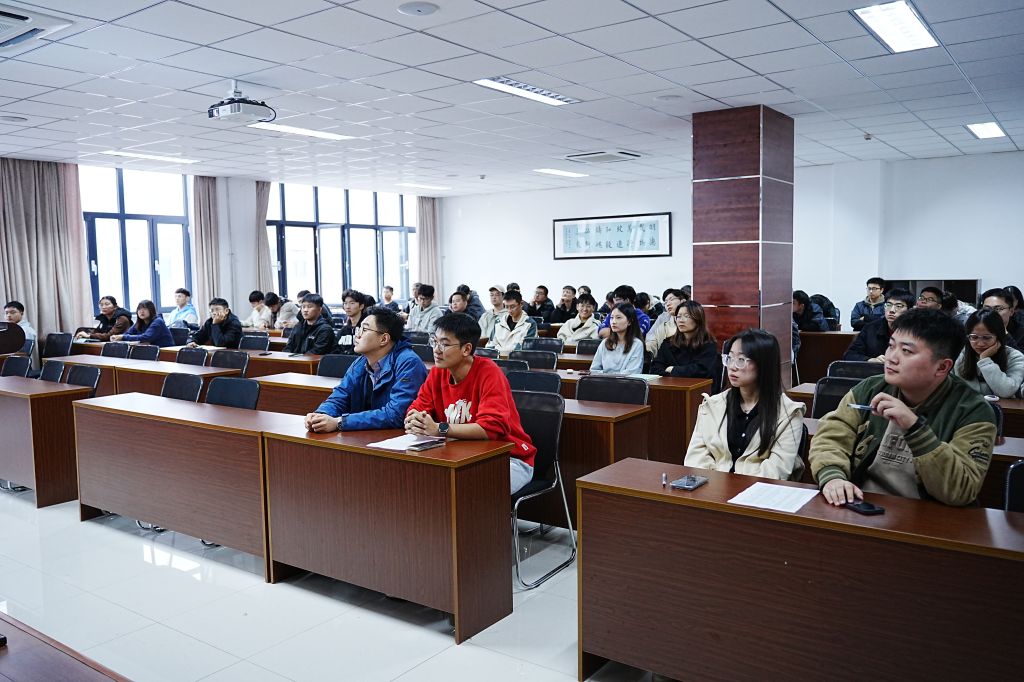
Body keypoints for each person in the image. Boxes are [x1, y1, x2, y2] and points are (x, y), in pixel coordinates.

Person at [810, 308, 996, 507]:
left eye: (907, 351)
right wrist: (833, 476)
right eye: (891, 346)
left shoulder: (973, 411)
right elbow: (832, 436)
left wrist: (914, 427)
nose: (891, 357)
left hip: (930, 516)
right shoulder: (871, 388)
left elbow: (961, 490)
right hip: (862, 504)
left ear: (942, 367)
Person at [405, 313, 536, 494]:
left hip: (508, 458)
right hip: (458, 455)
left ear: (466, 349)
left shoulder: (489, 373)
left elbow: (491, 428)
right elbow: (418, 406)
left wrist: (440, 428)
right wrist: (415, 419)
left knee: (469, 492)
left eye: (444, 344)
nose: (436, 349)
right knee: (419, 481)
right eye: (434, 341)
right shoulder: (437, 373)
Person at [685, 328, 805, 480]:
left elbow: (776, 472)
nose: (732, 366)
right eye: (729, 358)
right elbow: (695, 459)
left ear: (764, 364)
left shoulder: (789, 413)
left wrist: (734, 488)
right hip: (713, 489)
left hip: (759, 492)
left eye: (741, 360)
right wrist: (717, 486)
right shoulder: (712, 405)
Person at [306, 307, 428, 432]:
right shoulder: (360, 362)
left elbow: (396, 414)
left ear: (384, 339)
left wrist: (341, 422)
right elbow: (340, 396)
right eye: (358, 329)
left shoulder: (408, 363)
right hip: (368, 434)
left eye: (364, 330)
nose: (357, 335)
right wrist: (320, 415)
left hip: (398, 436)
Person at [953, 310, 1024, 398]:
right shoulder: (960, 354)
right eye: (974, 337)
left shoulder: (1015, 357)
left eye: (986, 338)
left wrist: (984, 360)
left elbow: (1006, 391)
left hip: (1003, 407)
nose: (980, 344)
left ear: (999, 337)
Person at [651, 301, 721, 388]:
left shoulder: (708, 344)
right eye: (678, 316)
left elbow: (702, 371)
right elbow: (655, 369)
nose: (681, 320)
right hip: (670, 388)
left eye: (687, 316)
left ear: (698, 318)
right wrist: (681, 373)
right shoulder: (668, 343)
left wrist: (672, 369)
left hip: (699, 390)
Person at [843, 288, 915, 362]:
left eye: (898, 306)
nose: (892, 310)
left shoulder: (916, 331)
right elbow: (849, 355)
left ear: (909, 310)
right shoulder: (870, 328)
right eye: (888, 305)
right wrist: (870, 360)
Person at [590, 303, 644, 374]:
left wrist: (605, 374)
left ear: (629, 321)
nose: (613, 322)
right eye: (612, 318)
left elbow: (632, 373)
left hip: (625, 381)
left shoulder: (637, 344)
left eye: (618, 317)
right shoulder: (605, 342)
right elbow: (594, 370)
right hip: (603, 380)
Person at [645, 289, 684, 355]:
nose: (668, 304)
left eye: (671, 299)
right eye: (665, 302)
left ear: (683, 301)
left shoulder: (690, 317)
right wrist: (650, 349)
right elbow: (651, 336)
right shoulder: (663, 317)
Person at [334, 290, 368, 355]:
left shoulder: (367, 329)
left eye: (352, 303)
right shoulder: (342, 331)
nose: (347, 307)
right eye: (345, 303)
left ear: (361, 306)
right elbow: (335, 351)